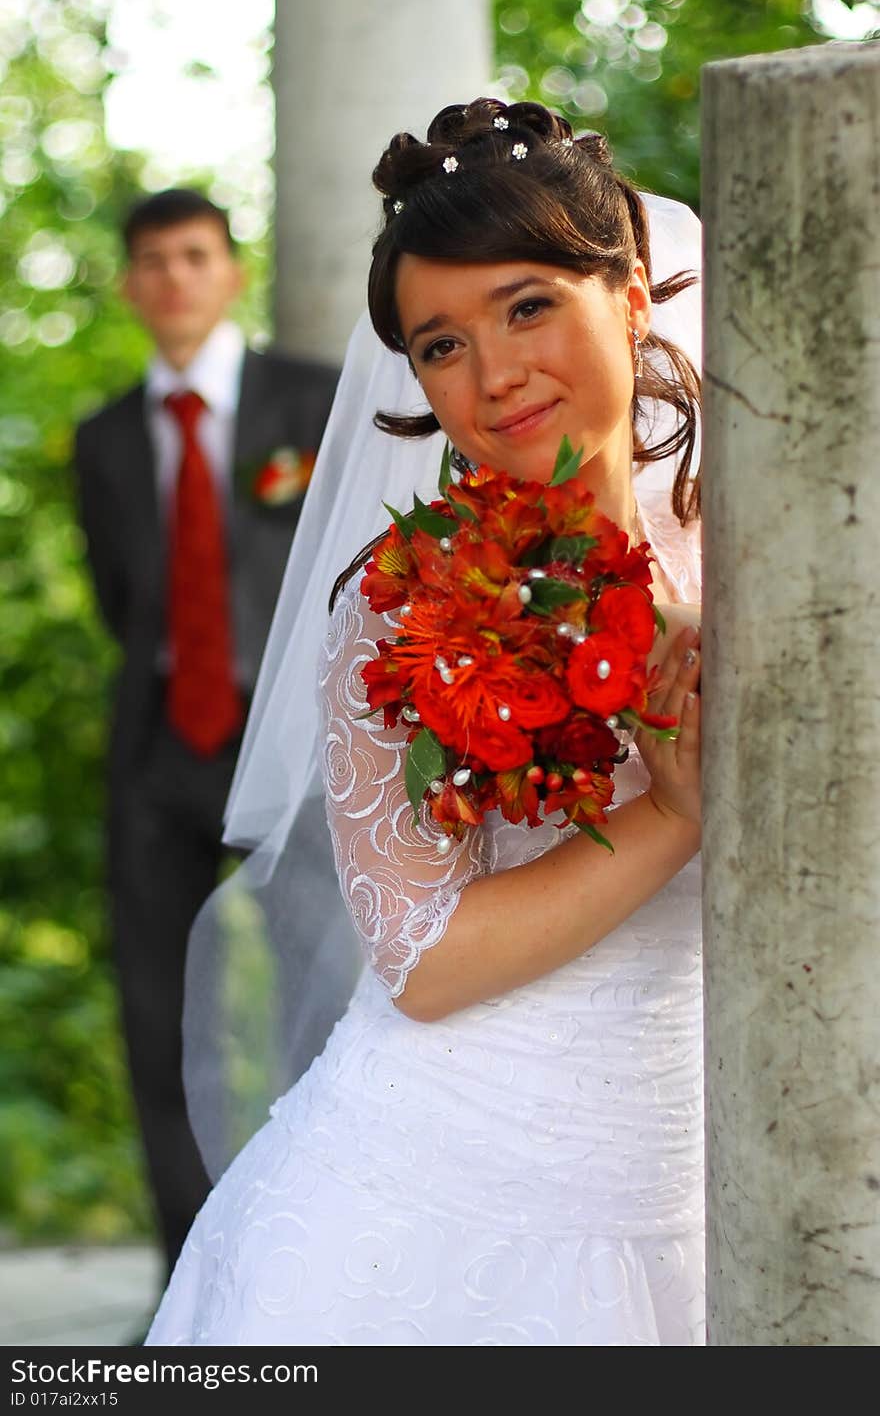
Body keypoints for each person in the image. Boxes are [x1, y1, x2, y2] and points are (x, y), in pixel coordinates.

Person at [146, 100, 704, 1347]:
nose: (494, 375)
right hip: (442, 1192)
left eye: (526, 307)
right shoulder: (404, 606)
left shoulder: (765, 553)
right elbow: (427, 960)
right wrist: (671, 817)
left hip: (708, 1156)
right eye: (440, 344)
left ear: (628, 296)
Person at [72, 188, 340, 1282]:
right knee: (162, 1019)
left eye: (194, 256)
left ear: (230, 272)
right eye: (152, 261)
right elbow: (117, 595)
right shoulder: (100, 439)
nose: (174, 277)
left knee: (318, 997)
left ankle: (319, 1267)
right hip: (159, 755)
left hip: (291, 751)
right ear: (133, 286)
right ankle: (197, 1280)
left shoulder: (312, 402)